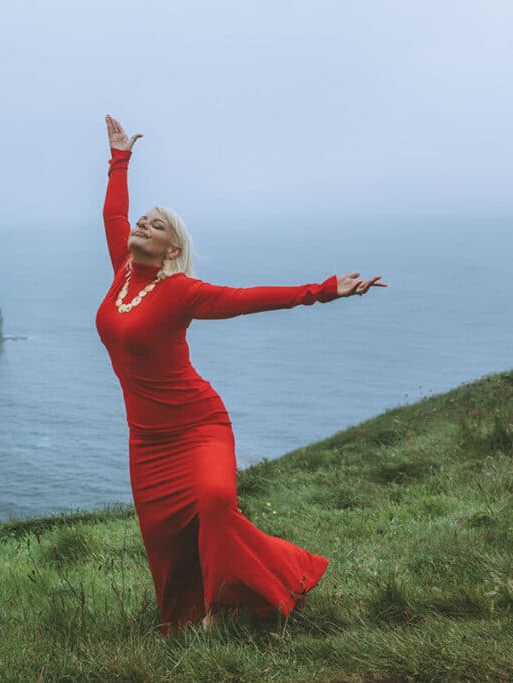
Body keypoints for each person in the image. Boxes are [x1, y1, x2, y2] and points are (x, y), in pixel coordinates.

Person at [95, 115, 386, 634]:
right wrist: (120, 158)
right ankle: (188, 617)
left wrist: (321, 290)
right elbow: (113, 213)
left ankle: (250, 596)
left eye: (156, 225)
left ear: (173, 250)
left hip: (197, 425)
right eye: (143, 221)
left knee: (215, 503)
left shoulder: (181, 291)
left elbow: (244, 300)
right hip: (146, 440)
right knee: (163, 539)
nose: (141, 225)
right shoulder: (122, 271)